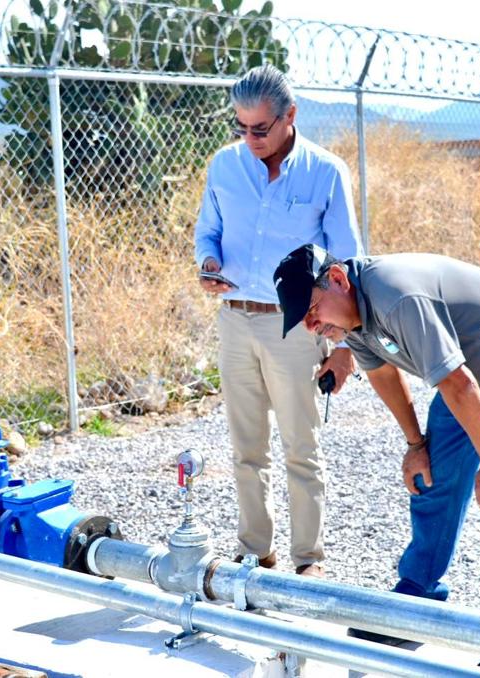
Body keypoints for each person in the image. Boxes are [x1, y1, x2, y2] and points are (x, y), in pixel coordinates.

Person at [273, 243, 480, 677]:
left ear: (337, 279)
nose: (313, 326)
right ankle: (417, 601)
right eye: (304, 319)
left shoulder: (397, 297)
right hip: (469, 373)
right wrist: (416, 446)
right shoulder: (352, 317)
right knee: (431, 476)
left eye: (313, 309)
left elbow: (458, 385)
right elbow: (384, 374)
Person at [194, 65, 362, 578]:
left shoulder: (326, 173)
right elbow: (208, 234)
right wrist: (209, 267)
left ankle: (308, 561)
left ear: (291, 116)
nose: (249, 139)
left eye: (260, 129)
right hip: (235, 320)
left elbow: (349, 263)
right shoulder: (224, 167)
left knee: (300, 448)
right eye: (240, 127)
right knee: (246, 448)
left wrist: (347, 345)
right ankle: (255, 552)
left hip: (298, 329)